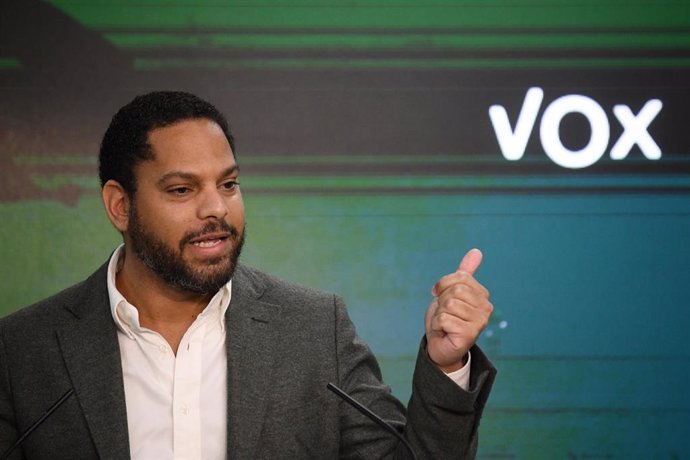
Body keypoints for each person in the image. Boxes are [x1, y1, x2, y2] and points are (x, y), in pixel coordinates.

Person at [0, 91, 496, 459]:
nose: (217, 208)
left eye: (229, 183)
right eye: (180, 190)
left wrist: (446, 363)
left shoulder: (314, 328)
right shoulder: (23, 351)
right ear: (120, 205)